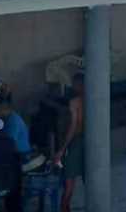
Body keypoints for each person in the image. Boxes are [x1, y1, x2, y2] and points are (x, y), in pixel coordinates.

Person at [53, 73, 84, 212]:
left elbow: (73, 126)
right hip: (92, 142)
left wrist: (62, 149)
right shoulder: (96, 98)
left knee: (69, 180)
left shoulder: (75, 102)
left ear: (78, 84)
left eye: (74, 83)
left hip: (77, 142)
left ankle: (64, 209)